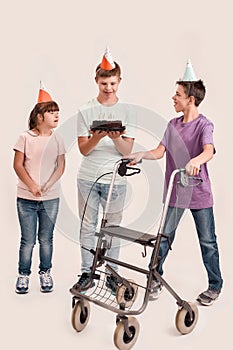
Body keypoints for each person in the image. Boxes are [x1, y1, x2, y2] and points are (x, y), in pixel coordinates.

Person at [127, 60, 223, 306]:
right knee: (164, 237)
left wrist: (196, 160)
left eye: (178, 94)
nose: (173, 97)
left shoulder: (204, 124)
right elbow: (160, 151)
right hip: (175, 192)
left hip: (199, 193)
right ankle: (155, 278)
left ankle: (215, 285)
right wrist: (141, 155)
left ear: (190, 99)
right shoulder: (172, 124)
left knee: (208, 242)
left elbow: (209, 150)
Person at [72, 48, 136, 294]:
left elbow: (126, 150)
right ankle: (87, 272)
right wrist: (97, 137)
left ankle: (111, 272)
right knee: (87, 226)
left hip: (115, 179)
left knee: (112, 228)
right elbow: (83, 150)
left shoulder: (128, 111)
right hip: (87, 177)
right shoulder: (85, 110)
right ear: (96, 81)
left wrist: (116, 137)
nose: (108, 88)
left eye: (112, 83)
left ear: (119, 81)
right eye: (103, 83)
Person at [13, 83, 66, 294]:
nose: (56, 115)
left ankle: (45, 272)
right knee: (28, 240)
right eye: (51, 112)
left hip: (50, 199)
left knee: (46, 238)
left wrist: (48, 185)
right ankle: (23, 275)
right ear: (39, 116)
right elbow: (17, 165)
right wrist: (32, 186)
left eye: (57, 112)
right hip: (25, 199)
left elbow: (61, 166)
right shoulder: (25, 138)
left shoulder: (58, 138)